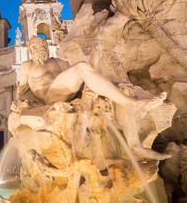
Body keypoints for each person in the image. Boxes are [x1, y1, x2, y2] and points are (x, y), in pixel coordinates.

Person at [16, 36, 170, 161]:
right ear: (29, 51)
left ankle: (135, 145)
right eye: (33, 48)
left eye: (40, 46)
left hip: (67, 92)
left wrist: (97, 63)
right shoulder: (26, 66)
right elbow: (22, 92)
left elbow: (86, 76)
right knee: (82, 67)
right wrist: (24, 107)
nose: (37, 50)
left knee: (121, 87)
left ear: (45, 48)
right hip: (50, 96)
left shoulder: (58, 62)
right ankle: (133, 104)